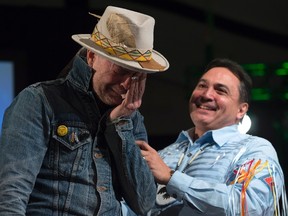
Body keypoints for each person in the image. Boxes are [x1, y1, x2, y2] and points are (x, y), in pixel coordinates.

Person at [0, 6, 169, 215]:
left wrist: (121, 125)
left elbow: (144, 204)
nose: (127, 84)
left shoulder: (131, 120)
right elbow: (11, 193)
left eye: (137, 76)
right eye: (120, 69)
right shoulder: (40, 101)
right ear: (91, 57)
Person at [135, 58, 287, 215]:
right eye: (202, 86)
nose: (206, 94)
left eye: (220, 90)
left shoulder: (255, 149)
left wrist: (171, 178)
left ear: (241, 110)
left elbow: (248, 207)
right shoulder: (163, 155)